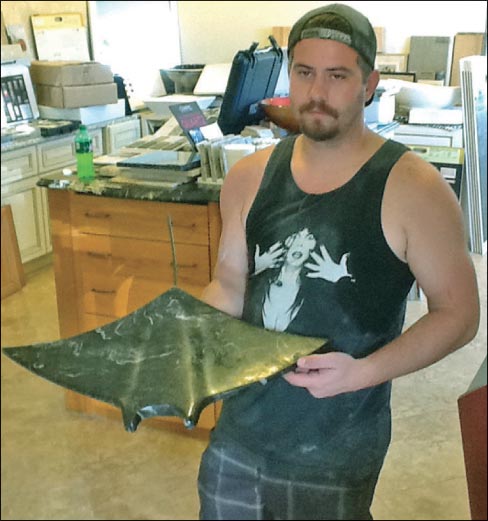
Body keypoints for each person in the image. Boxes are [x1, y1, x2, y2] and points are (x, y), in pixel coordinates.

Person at [197, 3, 480, 520]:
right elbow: (231, 283)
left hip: (335, 451)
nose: (317, 93)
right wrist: (190, 332)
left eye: (337, 75)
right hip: (238, 436)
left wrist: (362, 373)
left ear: (368, 84)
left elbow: (459, 315)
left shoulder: (413, 188)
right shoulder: (249, 177)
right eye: (304, 73)